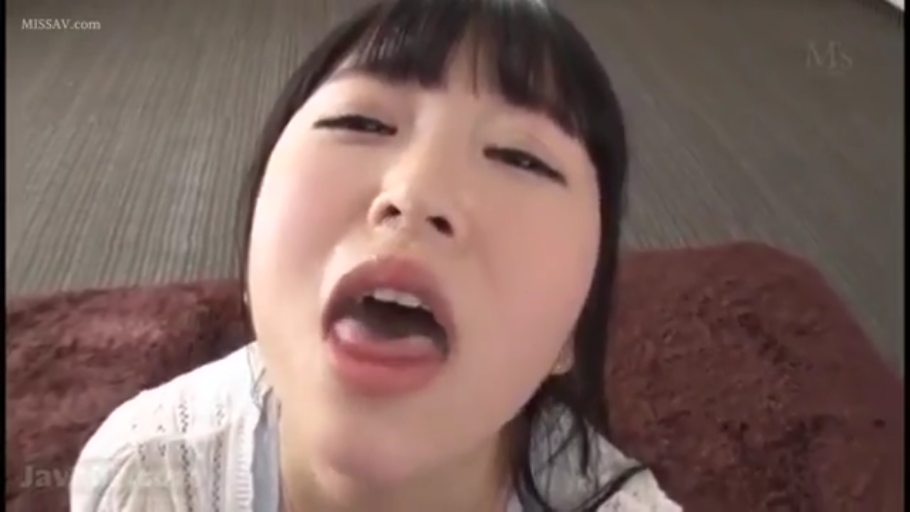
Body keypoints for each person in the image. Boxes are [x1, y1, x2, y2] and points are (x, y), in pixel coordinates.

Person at [70, 0, 682, 510]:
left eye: (520, 158)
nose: (416, 194)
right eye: (361, 122)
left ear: (572, 330)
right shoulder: (145, 476)